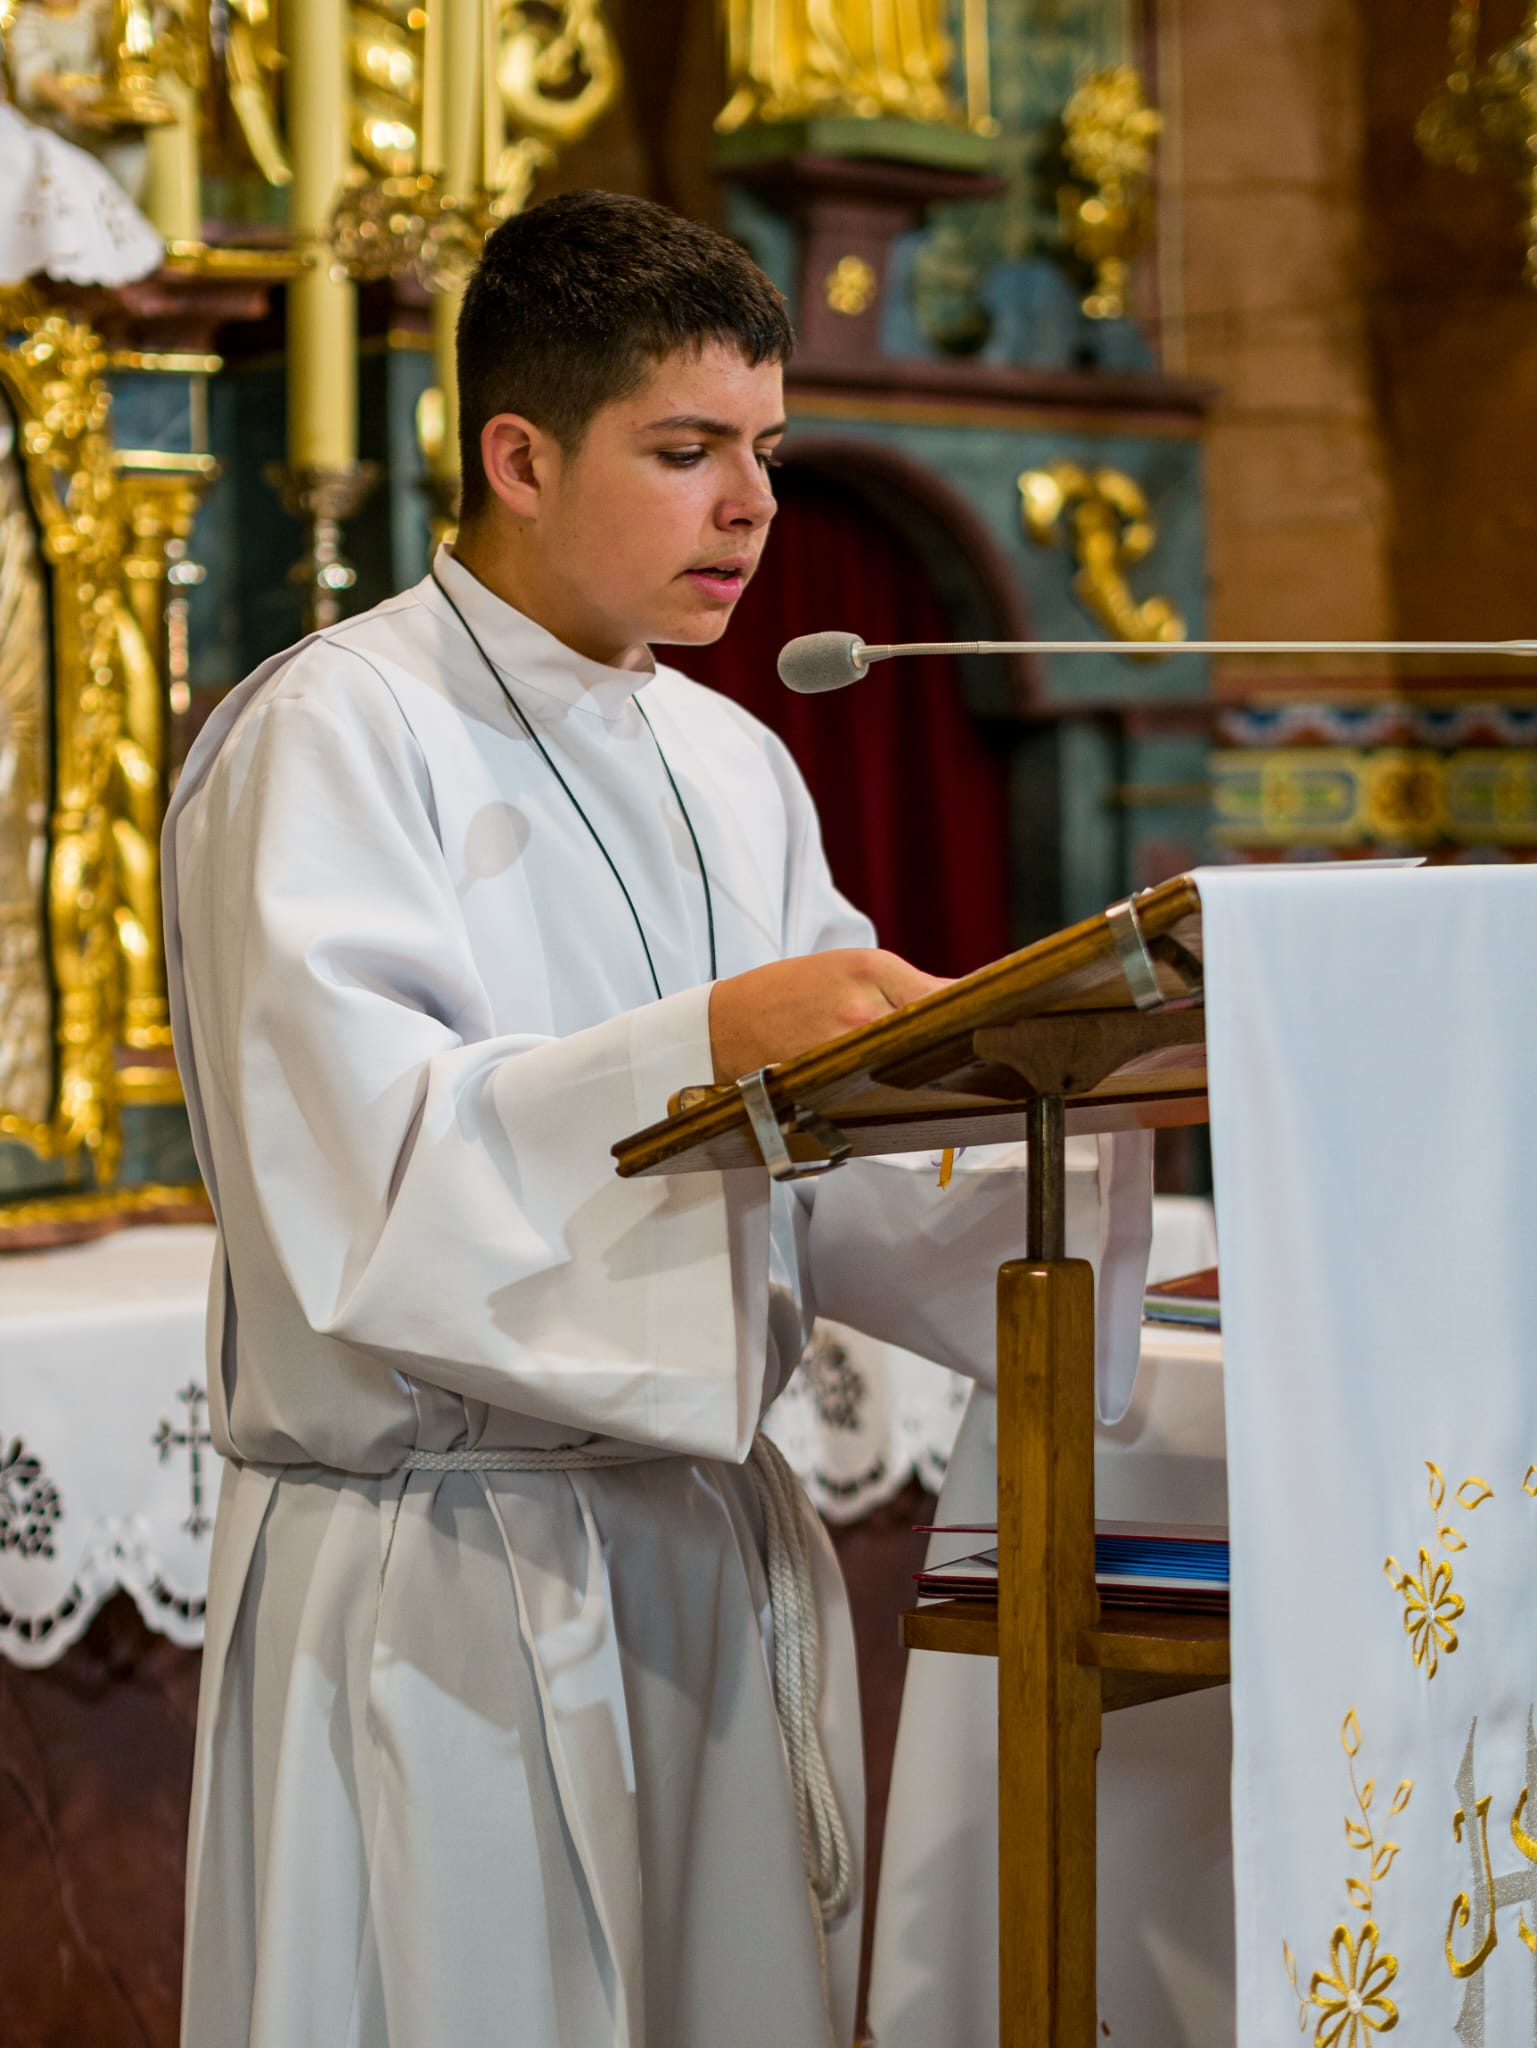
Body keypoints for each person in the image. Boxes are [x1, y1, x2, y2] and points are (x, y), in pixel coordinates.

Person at [164, 188, 1139, 2048]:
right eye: (688, 452)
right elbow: (358, 1189)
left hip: (696, 1555)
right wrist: (709, 1046)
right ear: (518, 457)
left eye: (765, 451)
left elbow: (832, 1159)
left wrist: (1045, 1092)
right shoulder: (335, 730)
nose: (753, 507)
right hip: (450, 1574)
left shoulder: (733, 758)